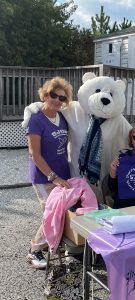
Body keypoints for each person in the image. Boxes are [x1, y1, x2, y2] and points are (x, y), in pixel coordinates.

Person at [25, 77, 73, 269]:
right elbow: (34, 154)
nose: (57, 100)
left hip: (62, 174)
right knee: (51, 213)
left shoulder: (63, 118)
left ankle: (52, 244)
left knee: (61, 212)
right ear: (45, 95)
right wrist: (55, 178)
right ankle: (34, 251)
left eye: (62, 98)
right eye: (54, 95)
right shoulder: (36, 121)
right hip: (43, 177)